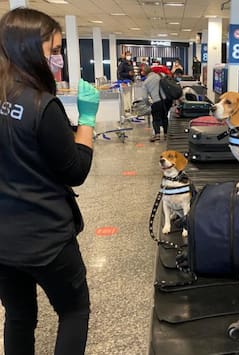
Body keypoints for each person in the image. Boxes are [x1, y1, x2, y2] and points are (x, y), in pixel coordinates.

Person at [0, 8, 99, 355]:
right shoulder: (42, 104)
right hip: (46, 237)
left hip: (3, 240)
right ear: (29, 49)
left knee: (18, 316)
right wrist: (87, 120)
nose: (58, 59)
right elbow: (76, 170)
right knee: (74, 311)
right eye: (54, 50)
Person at [143, 65, 172, 142]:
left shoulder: (146, 82)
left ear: (144, 73)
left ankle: (157, 135)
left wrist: (148, 105)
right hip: (165, 100)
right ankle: (166, 134)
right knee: (164, 117)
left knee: (156, 118)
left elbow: (144, 97)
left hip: (156, 101)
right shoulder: (160, 75)